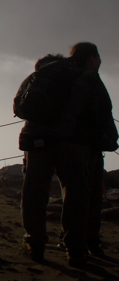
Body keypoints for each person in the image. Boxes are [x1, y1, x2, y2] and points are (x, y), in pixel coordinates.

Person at [17, 53, 94, 265]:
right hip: (74, 141)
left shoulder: (35, 77)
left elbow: (19, 108)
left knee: (34, 192)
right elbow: (101, 110)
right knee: (75, 193)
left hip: (37, 140)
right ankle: (75, 249)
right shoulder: (83, 76)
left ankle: (35, 243)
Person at [68, 43, 117, 259]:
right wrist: (105, 140)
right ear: (91, 58)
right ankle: (87, 244)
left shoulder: (66, 76)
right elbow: (99, 112)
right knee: (89, 197)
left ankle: (69, 239)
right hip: (88, 145)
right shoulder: (89, 79)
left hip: (66, 143)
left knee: (73, 195)